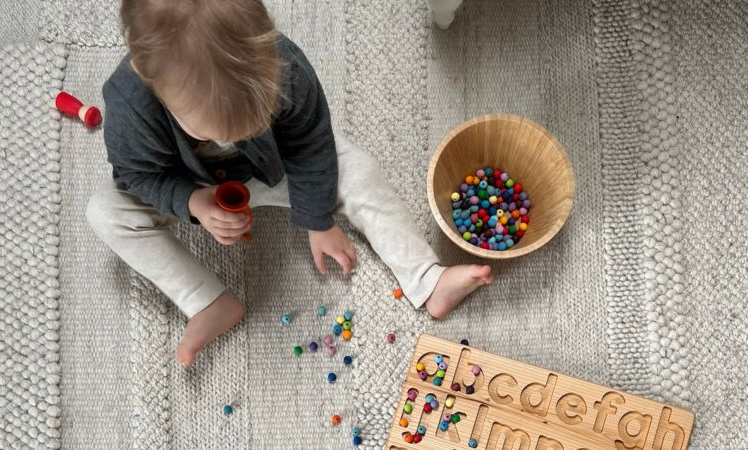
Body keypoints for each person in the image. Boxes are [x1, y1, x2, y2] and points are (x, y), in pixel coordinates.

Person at [86, 0, 492, 366]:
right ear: (148, 76)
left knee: (358, 170)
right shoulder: (131, 103)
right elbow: (137, 175)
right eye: (209, 131)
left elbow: (310, 141)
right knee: (105, 212)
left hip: (276, 166)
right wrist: (191, 201)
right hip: (189, 182)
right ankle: (207, 301)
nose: (227, 138)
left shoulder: (285, 65)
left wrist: (318, 218)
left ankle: (427, 278)